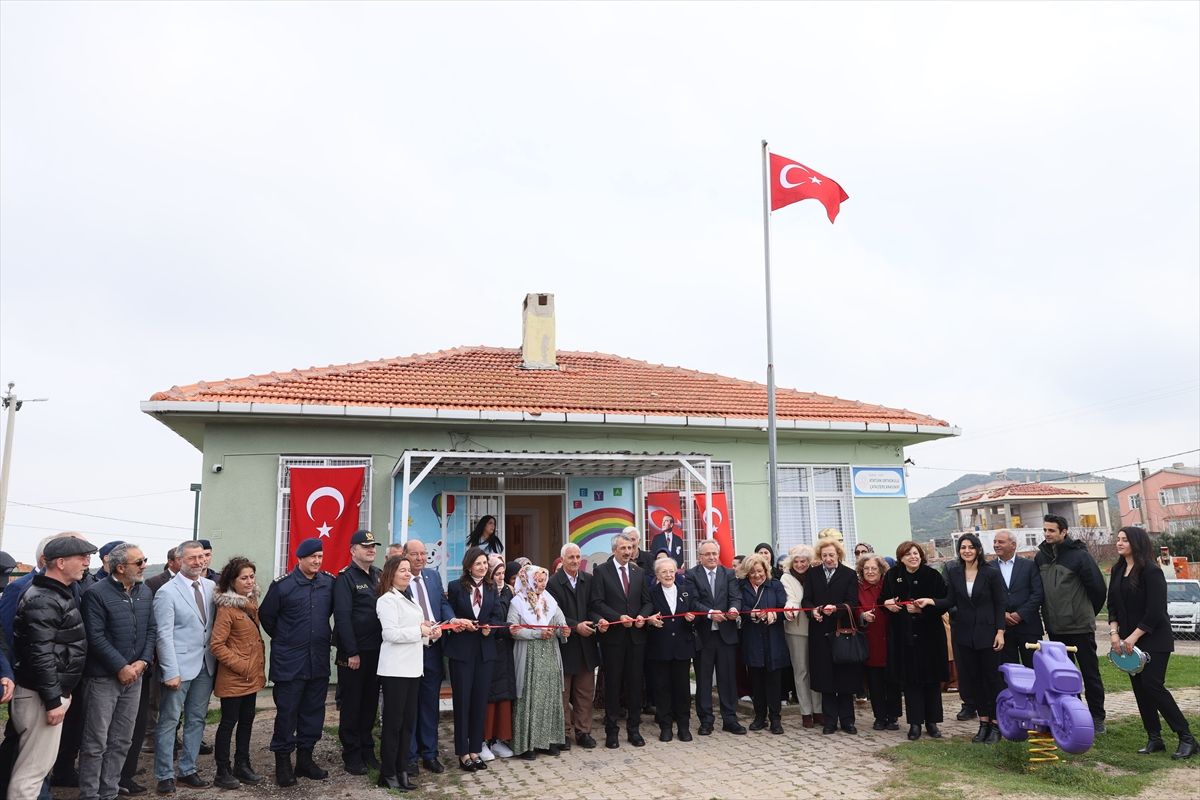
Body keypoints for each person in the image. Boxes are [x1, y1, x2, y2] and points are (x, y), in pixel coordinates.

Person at [8, 536, 94, 800]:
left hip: (46, 694)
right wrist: (54, 700)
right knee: (31, 773)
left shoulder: (54, 593)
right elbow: (40, 654)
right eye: (81, 558)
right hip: (40, 697)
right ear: (60, 562)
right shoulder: (43, 599)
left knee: (36, 769)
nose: (86, 563)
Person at [1107, 526, 1197, 759]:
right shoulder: (1117, 570)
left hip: (1154, 639)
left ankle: (1187, 737)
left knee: (1152, 685)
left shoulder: (1151, 571)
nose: (1119, 543)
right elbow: (1112, 605)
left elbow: (1155, 610)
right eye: (1118, 539)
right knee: (1140, 689)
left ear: (1136, 543)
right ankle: (1154, 738)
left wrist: (1134, 636)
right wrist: (1114, 633)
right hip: (1126, 640)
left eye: (1125, 540)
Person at [77, 543, 155, 800]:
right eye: (139, 562)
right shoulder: (96, 593)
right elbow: (95, 636)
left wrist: (143, 661)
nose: (144, 566)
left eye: (144, 560)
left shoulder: (145, 592)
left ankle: (109, 792)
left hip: (135, 677)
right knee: (96, 741)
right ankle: (90, 794)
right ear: (121, 567)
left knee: (122, 739)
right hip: (103, 679)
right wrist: (120, 667)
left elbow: (151, 630)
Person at [258, 537, 335, 786]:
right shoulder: (283, 586)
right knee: (287, 714)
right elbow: (267, 617)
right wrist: (287, 638)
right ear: (300, 558)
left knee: (313, 713)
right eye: (312, 557)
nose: (317, 561)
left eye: (320, 557)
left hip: (318, 661)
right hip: (290, 663)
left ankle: (305, 761)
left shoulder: (328, 583)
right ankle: (283, 764)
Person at [921, 533, 1005, 744]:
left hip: (988, 633)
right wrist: (931, 601)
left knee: (992, 680)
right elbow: (950, 600)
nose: (966, 551)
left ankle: (996, 725)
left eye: (970, 547)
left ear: (978, 549)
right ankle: (983, 723)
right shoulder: (955, 572)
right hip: (964, 634)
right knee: (974, 679)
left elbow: (1000, 604)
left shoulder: (991, 573)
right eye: (963, 547)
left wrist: (1000, 632)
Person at [152, 539, 216, 793]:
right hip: (178, 668)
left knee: (197, 719)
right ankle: (165, 775)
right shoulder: (167, 592)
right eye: (192, 558)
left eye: (202, 557)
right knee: (169, 721)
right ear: (180, 561)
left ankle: (188, 770)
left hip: (205, 665)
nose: (199, 562)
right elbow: (163, 635)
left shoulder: (211, 587)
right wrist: (170, 671)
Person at [1035, 513, 1107, 733]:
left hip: (1080, 627)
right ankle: (1074, 714)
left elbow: (1098, 589)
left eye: (1052, 530)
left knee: (1090, 674)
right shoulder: (1040, 558)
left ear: (1064, 532)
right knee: (1063, 676)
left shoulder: (1080, 556)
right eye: (1045, 530)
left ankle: (1097, 717)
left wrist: (1085, 613)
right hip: (1056, 628)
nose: (1047, 534)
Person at [376, 555, 439, 791]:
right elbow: (390, 634)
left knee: (407, 724)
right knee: (393, 724)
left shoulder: (409, 598)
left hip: (413, 669)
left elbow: (415, 633)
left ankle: (402, 769)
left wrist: (429, 634)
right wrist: (419, 630)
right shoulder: (386, 600)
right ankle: (388, 772)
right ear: (391, 573)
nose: (407, 573)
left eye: (408, 570)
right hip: (395, 670)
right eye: (402, 570)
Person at [590, 529, 653, 749]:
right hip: (614, 639)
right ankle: (612, 731)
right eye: (623, 548)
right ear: (614, 550)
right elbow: (597, 603)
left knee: (635, 685)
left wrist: (642, 616)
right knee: (613, 685)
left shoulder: (638, 572)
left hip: (636, 638)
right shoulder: (602, 571)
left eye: (630, 547)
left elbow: (647, 602)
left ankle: (634, 730)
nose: (628, 551)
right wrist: (618, 618)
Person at [402, 538, 458, 777]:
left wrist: (451, 620)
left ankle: (430, 753)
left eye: (423, 554)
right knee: (410, 705)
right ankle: (410, 756)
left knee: (429, 704)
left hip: (433, 650)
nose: (420, 558)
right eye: (415, 554)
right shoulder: (400, 579)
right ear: (405, 555)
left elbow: (442, 604)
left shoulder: (433, 576)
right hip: (411, 650)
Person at [209, 556, 266, 789]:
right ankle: (222, 770)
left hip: (251, 677)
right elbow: (217, 645)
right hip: (234, 678)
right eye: (244, 578)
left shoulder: (250, 603)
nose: (249, 581)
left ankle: (243, 764)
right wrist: (242, 665)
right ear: (232, 581)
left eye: (252, 577)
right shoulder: (227, 608)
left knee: (247, 721)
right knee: (228, 722)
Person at [881, 541, 948, 740]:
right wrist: (887, 604)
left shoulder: (932, 575)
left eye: (916, 553)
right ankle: (915, 723)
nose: (913, 557)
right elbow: (883, 600)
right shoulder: (892, 576)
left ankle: (932, 722)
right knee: (911, 682)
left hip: (930, 636)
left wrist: (923, 610)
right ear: (901, 558)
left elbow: (945, 602)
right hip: (904, 636)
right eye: (908, 554)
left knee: (931, 681)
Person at [445, 546, 503, 772]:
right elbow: (448, 615)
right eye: (478, 563)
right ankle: (462, 752)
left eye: (485, 563)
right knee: (463, 702)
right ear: (469, 566)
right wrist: (458, 623)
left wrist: (490, 629)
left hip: (485, 652)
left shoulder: (491, 587)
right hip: (462, 652)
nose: (482, 567)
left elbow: (497, 615)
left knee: (480, 702)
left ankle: (475, 750)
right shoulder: (455, 587)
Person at [332, 530, 382, 776]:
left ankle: (367, 749)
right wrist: (351, 651)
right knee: (352, 705)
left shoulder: (378, 575)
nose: (371, 550)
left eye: (373, 546)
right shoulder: (345, 578)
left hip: (376, 651)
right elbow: (342, 618)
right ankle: (351, 754)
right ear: (353, 550)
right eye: (366, 546)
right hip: (354, 654)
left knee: (370, 704)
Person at [508, 564, 569, 759]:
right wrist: (536, 634)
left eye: (544, 581)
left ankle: (548, 741)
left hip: (549, 653)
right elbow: (513, 630)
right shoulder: (517, 602)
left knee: (549, 695)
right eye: (539, 581)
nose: (542, 584)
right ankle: (527, 744)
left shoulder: (549, 600)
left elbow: (560, 622)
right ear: (528, 581)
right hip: (529, 655)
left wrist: (563, 630)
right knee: (530, 697)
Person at [685, 539, 745, 736]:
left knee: (727, 679)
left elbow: (735, 597)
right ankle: (706, 720)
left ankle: (730, 719)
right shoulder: (692, 574)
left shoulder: (728, 573)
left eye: (714, 553)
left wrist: (734, 609)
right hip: (704, 635)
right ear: (700, 556)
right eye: (707, 554)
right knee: (703, 680)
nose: (712, 557)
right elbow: (692, 601)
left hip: (726, 634)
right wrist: (710, 613)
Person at [546, 543, 600, 750]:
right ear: (562, 559)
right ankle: (564, 733)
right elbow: (553, 614)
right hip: (565, 646)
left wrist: (598, 621)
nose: (576, 561)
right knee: (563, 693)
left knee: (585, 693)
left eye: (578, 557)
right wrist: (576, 626)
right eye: (571, 557)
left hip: (586, 645)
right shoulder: (553, 583)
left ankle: (583, 732)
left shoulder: (589, 579)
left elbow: (594, 606)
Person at [806, 537, 861, 735]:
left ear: (838, 554)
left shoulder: (849, 574)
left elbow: (853, 602)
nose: (828, 559)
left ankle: (847, 720)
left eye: (831, 555)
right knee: (825, 677)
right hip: (820, 631)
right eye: (824, 555)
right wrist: (813, 611)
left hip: (841, 630)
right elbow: (806, 599)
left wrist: (836, 609)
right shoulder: (812, 573)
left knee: (845, 676)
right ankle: (830, 721)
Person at [644, 558, 695, 742]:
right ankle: (665, 727)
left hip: (682, 648)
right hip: (660, 648)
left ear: (676, 572)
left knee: (682, 690)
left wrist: (691, 619)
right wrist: (650, 620)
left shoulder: (686, 592)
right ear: (657, 575)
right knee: (662, 689)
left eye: (671, 571)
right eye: (664, 572)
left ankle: (684, 727)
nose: (668, 575)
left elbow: (695, 615)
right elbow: (645, 614)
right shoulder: (651, 593)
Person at [737, 553, 787, 734]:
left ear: (766, 570)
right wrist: (752, 614)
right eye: (752, 572)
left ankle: (775, 718)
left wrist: (774, 615)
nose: (757, 575)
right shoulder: (742, 587)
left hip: (773, 638)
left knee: (774, 681)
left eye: (760, 571)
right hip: (752, 638)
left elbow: (783, 607)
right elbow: (740, 608)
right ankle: (759, 717)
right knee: (756, 681)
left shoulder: (775, 585)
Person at [857, 553, 900, 731]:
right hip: (871, 640)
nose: (870, 571)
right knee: (875, 683)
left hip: (891, 639)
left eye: (874, 568)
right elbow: (855, 609)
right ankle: (879, 717)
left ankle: (893, 717)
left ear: (881, 570)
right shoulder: (858, 589)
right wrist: (862, 615)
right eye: (866, 568)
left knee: (892, 681)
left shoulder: (889, 585)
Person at [781, 544, 821, 728]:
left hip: (816, 626)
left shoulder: (815, 574)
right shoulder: (786, 577)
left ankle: (818, 710)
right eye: (796, 561)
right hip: (796, 628)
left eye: (803, 561)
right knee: (801, 671)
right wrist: (790, 610)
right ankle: (806, 712)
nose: (800, 564)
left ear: (809, 561)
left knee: (816, 669)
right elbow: (793, 599)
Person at [992, 530, 1044, 668]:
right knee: (1008, 671)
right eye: (995, 542)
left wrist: (1020, 614)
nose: (996, 545)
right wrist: (1001, 614)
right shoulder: (988, 568)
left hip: (1028, 626)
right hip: (1002, 630)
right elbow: (986, 597)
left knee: (1034, 669)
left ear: (1013, 545)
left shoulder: (1029, 565)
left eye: (1001, 542)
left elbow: (1037, 594)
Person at [482, 557, 516, 759]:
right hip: (489, 648)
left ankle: (499, 739)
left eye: (503, 573)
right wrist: (508, 628)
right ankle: (483, 740)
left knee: (504, 695)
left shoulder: (509, 592)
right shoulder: (486, 591)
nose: (501, 577)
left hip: (506, 650)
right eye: (497, 574)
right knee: (488, 696)